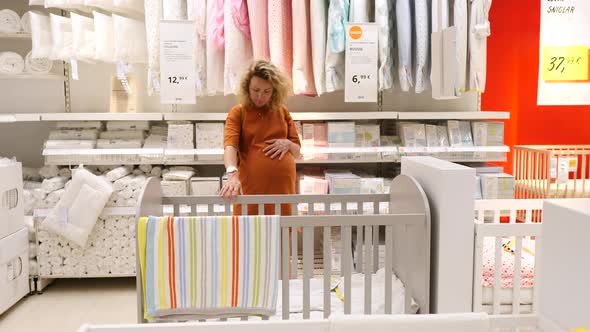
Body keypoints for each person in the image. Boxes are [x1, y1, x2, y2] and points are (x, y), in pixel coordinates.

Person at [220, 60, 301, 215]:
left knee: (281, 232)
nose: (260, 96)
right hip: (251, 187)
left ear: (275, 91)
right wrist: (231, 174)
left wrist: (288, 144)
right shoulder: (238, 112)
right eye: (256, 90)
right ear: (246, 88)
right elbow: (230, 145)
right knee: (250, 231)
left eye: (266, 92)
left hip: (283, 189)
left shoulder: (282, 112)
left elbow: (297, 151)